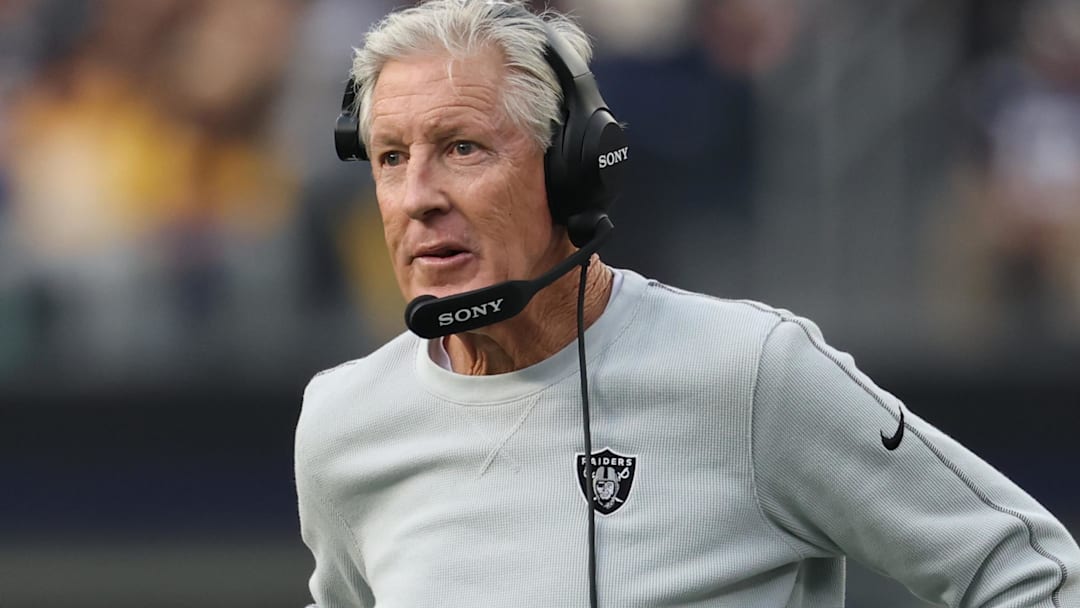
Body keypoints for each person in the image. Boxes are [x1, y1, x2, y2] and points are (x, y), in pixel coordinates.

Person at [295, 1, 1080, 606]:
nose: (417, 197)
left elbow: (1032, 574)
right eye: (392, 158)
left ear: (574, 170)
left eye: (462, 146)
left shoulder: (752, 371)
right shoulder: (341, 422)